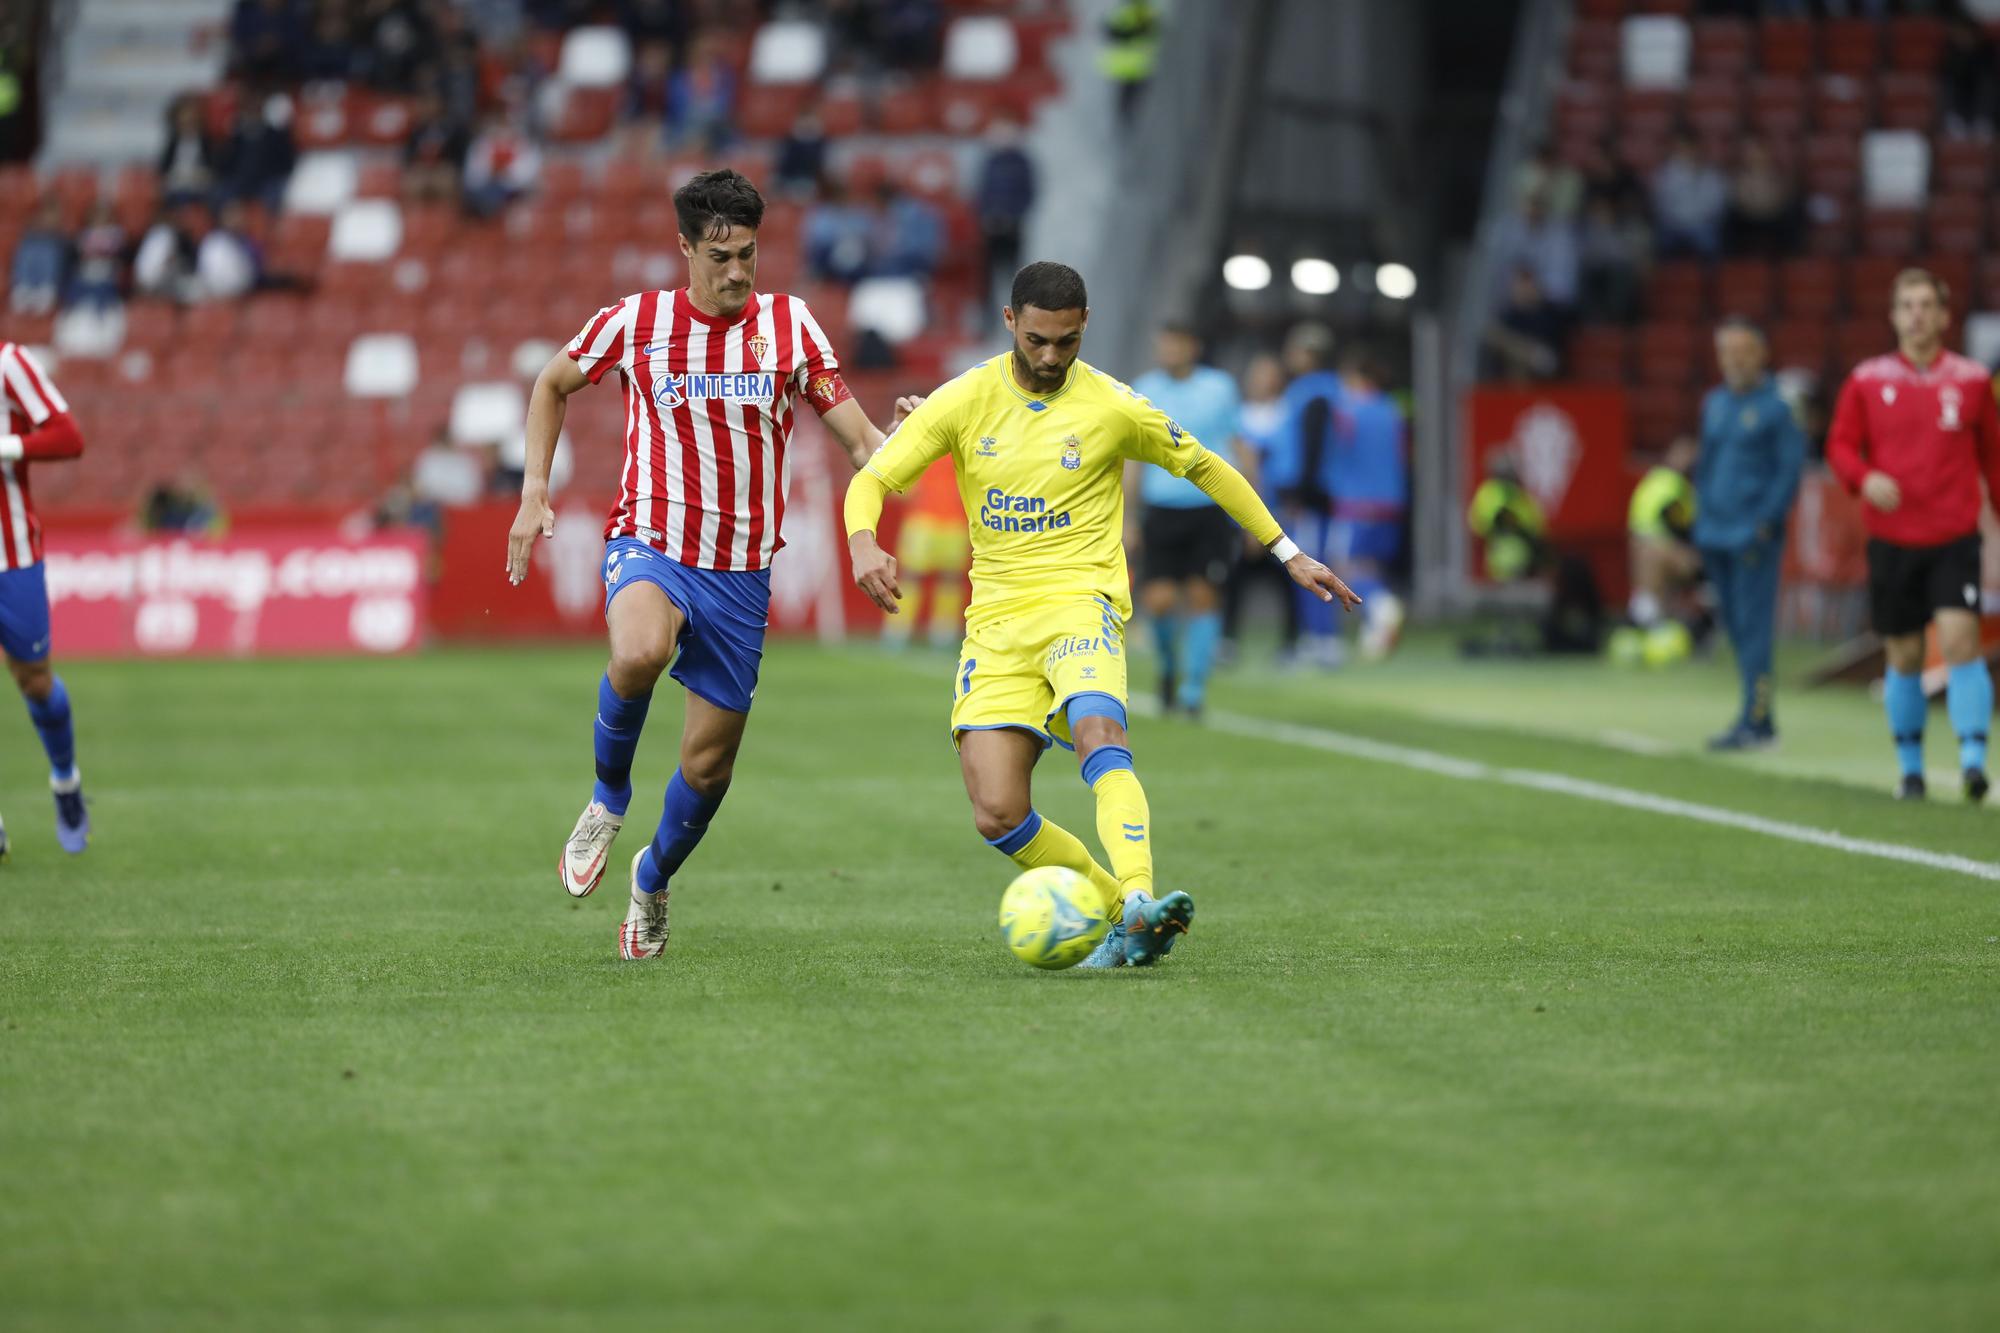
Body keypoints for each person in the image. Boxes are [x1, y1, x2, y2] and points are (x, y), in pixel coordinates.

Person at [843, 262, 1358, 969]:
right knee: (996, 811)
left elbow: (1206, 466)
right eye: (1036, 341)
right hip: (996, 624)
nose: (1050, 356)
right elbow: (873, 478)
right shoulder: (963, 400)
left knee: (1098, 729)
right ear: (1009, 324)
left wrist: (1286, 550)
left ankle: (1141, 897)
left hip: (1082, 602)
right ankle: (1124, 917)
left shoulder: (1115, 405)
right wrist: (864, 540)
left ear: (1085, 328)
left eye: (1066, 341)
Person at [506, 169, 911, 960]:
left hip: (740, 575)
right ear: (684, 247)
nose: (735, 271)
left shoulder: (790, 329)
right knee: (639, 650)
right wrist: (533, 492)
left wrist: (912, 440)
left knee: (709, 766)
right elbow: (553, 383)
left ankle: (652, 881)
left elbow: (863, 444)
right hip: (651, 541)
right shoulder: (637, 321)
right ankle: (606, 798)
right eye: (718, 255)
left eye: (748, 255)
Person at [1825, 269, 2000, 802]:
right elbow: (1839, 446)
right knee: (1902, 656)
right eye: (1908, 305)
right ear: (1894, 315)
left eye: (1927, 305)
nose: (1918, 315)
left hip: (1953, 537)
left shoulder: (1972, 381)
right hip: (1893, 540)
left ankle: (1973, 758)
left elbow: (1994, 459)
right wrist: (1864, 477)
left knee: (1960, 641)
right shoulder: (1867, 380)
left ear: (1946, 316)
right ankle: (1911, 768)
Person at [1126, 321, 1248, 716]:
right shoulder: (1145, 389)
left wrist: (1254, 514)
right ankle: (1167, 666)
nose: (1169, 350)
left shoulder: (1220, 388)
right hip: (1161, 510)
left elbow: (1239, 446)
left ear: (1193, 346)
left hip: (1209, 508)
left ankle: (1194, 689)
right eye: (1164, 343)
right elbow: (1134, 457)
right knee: (1158, 601)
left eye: (1176, 343)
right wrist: (1127, 518)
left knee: (1203, 596)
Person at [1695, 320, 1806, 749]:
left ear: (1762, 354)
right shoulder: (1715, 403)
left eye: (1743, 351)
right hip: (1714, 532)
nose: (1735, 360)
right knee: (1738, 628)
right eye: (1727, 352)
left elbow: (1788, 470)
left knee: (1754, 628)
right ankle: (1755, 716)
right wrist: (1701, 515)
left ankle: (1757, 721)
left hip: (1750, 535)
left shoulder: (1779, 406)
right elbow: (1707, 463)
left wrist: (1766, 521)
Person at [0, 340, 92, 854]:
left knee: (35, 681)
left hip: (11, 556)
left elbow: (69, 437)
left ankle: (65, 781)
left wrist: (6, 447)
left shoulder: (7, 363)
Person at [1267, 321, 1350, 667]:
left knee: (1310, 563)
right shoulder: (1313, 390)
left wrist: (1300, 493)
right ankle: (1315, 637)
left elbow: (1313, 447)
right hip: (1307, 492)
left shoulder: (1316, 394)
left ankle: (1322, 639)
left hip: (1310, 495)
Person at [1327, 347, 1408, 660]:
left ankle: (1381, 606)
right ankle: (1375, 631)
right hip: (1390, 502)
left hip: (1355, 502)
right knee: (1372, 565)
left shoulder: (1347, 411)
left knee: (1344, 566)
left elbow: (1337, 450)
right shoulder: (1393, 409)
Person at [1221, 352, 1300, 661]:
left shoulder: (1286, 414)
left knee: (1288, 574)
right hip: (1241, 511)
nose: (1260, 380)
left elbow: (1288, 463)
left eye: (1267, 374)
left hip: (1278, 510)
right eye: (1256, 374)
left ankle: (1293, 640)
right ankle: (1227, 639)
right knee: (1233, 576)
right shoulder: (1237, 415)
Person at [1619, 434, 1702, 665]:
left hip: (1694, 559)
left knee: (1652, 551)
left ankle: (1644, 615)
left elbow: (1689, 532)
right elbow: (1677, 526)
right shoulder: (1669, 483)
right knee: (1650, 550)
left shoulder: (1682, 485)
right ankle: (1647, 618)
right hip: (1661, 555)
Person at [881, 458, 968, 651]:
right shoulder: (917, 433)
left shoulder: (963, 438)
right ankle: (897, 629)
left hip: (955, 520)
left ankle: (944, 632)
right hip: (922, 519)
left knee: (951, 577)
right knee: (912, 575)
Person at [1651, 131, 1727, 260]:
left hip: (1702, 225)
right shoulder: (1665, 175)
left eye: (1690, 149)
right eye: (1682, 150)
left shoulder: (1712, 174)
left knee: (1710, 242)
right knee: (1661, 242)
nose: (1687, 153)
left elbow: (1716, 206)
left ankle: (1710, 278)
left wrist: (1696, 221)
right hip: (1673, 225)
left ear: (1697, 150)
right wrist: (1679, 222)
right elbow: (1661, 205)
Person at [8, 197, 70, 316]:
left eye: (53, 215)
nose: (49, 219)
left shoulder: (62, 237)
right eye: (46, 215)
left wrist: (54, 235)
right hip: (30, 275)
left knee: (49, 252)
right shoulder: (30, 236)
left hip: (50, 281)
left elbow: (67, 256)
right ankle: (22, 287)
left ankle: (45, 291)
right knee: (27, 250)